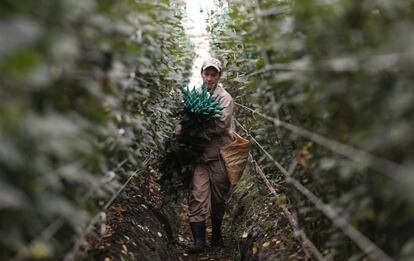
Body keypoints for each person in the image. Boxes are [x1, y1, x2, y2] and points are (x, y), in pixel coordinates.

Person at [185, 57, 235, 253]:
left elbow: (221, 124)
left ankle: (216, 234)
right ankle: (199, 242)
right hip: (199, 158)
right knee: (198, 196)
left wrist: (197, 129)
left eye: (214, 75)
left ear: (219, 76)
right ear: (202, 74)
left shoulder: (225, 98)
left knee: (218, 199)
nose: (210, 78)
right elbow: (185, 119)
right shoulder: (194, 95)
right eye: (207, 74)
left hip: (218, 157)